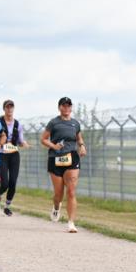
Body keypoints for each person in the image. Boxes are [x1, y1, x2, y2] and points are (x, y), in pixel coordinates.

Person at [40, 97, 86, 233]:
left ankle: (71, 223)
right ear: (59, 107)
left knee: (71, 190)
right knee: (58, 193)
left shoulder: (75, 123)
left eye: (68, 106)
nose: (66, 108)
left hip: (72, 157)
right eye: (64, 106)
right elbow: (43, 139)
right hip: (56, 158)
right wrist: (54, 146)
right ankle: (56, 206)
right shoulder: (53, 123)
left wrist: (82, 146)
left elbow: (79, 137)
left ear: (71, 108)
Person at [0, 99, 29, 216]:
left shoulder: (18, 124)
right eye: (7, 107)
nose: (9, 109)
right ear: (4, 109)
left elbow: (19, 140)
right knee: (4, 183)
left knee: (13, 183)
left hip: (14, 154)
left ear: (13, 109)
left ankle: (7, 206)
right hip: (2, 154)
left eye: (11, 107)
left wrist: (23, 143)